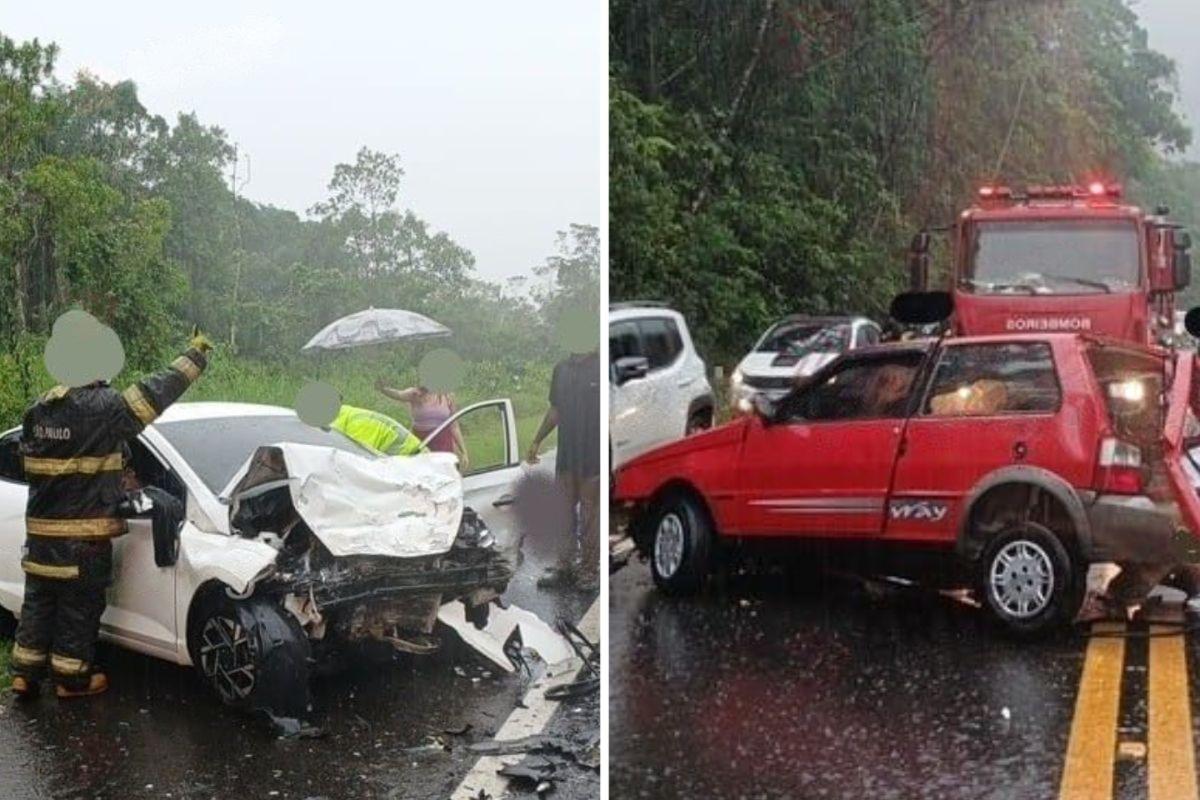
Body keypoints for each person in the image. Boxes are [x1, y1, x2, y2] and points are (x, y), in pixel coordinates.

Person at [9, 329, 212, 699]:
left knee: (38, 603)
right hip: (82, 540)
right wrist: (194, 358)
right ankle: (72, 681)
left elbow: (32, 462)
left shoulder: (39, 409)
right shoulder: (104, 408)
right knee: (77, 608)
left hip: (40, 539)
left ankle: (25, 673)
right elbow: (154, 393)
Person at [527, 347, 601, 591]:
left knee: (590, 518)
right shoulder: (561, 369)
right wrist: (537, 440)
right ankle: (563, 566)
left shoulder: (601, 366)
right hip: (567, 457)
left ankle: (589, 571)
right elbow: (555, 410)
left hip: (594, 459)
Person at [375, 381, 468, 469]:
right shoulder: (414, 394)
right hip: (421, 442)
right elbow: (398, 394)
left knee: (445, 474)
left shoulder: (447, 396)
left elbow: (454, 426)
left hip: (443, 444)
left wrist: (463, 452)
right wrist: (383, 389)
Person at [330, 403, 424, 456]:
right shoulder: (346, 418)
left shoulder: (357, 424)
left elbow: (363, 461)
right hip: (401, 461)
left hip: (415, 460)